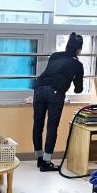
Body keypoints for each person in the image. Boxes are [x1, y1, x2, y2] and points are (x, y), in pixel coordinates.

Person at [32, 32, 85, 172]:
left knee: (38, 125)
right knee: (52, 128)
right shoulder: (77, 64)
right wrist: (73, 79)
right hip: (55, 92)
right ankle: (46, 162)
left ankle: (39, 159)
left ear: (67, 46)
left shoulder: (55, 56)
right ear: (79, 50)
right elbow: (78, 89)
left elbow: (52, 72)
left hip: (39, 88)